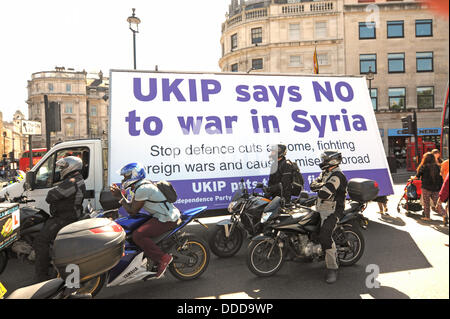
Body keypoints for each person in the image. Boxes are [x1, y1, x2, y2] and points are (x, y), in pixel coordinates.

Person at [110, 163, 181, 279]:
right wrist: (120, 198)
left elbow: (132, 211)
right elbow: (131, 206)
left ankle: (163, 258)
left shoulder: (143, 188)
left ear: (134, 175)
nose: (124, 179)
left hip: (166, 218)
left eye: (126, 176)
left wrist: (119, 197)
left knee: (138, 235)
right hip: (159, 215)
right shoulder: (137, 187)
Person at [34, 156, 86, 282]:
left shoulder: (72, 181)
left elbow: (51, 196)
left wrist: (53, 191)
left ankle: (42, 276)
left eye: (63, 167)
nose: (61, 169)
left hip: (65, 218)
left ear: (71, 167)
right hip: (68, 216)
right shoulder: (76, 179)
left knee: (40, 241)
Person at [309, 150, 348, 284]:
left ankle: (332, 268)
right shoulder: (326, 173)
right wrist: (320, 186)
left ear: (332, 161)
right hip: (322, 208)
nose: (322, 161)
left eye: (324, 159)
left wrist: (320, 187)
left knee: (325, 236)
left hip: (334, 211)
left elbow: (324, 193)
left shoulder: (337, 176)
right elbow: (312, 184)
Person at [415, 152, 445, 221]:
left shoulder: (423, 166)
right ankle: (444, 214)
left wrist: (413, 178)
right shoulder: (438, 166)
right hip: (436, 188)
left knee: (426, 203)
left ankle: (427, 217)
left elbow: (417, 176)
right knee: (437, 203)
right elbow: (441, 177)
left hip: (426, 187)